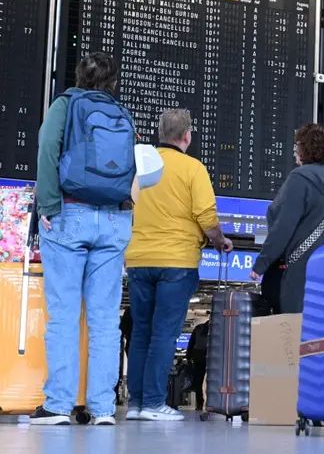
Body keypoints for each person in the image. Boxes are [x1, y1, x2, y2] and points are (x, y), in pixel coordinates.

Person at [32, 53, 134, 426]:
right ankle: (103, 408)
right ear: (113, 82)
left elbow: (48, 151)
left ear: (79, 76)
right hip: (114, 219)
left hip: (69, 215)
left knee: (63, 314)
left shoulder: (65, 104)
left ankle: (58, 404)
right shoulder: (122, 114)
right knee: (105, 319)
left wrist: (48, 205)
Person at [124, 109, 232, 422]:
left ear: (161, 134)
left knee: (141, 332)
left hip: (139, 259)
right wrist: (219, 240)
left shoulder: (141, 167)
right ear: (187, 136)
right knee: (164, 333)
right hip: (176, 262)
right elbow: (206, 216)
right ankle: (155, 403)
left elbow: (128, 204)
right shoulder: (192, 168)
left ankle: (137, 404)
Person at [250, 124, 324, 314]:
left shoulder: (300, 178)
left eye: (296, 149)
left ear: (305, 149)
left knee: (292, 331)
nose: (295, 156)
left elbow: (283, 227)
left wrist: (261, 264)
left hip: (301, 273)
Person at [187, 320, 209, 411]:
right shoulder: (218, 328)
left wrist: (188, 357)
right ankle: (212, 403)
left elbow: (191, 343)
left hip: (198, 357)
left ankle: (199, 404)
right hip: (213, 358)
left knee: (198, 382)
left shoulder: (198, 328)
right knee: (213, 382)